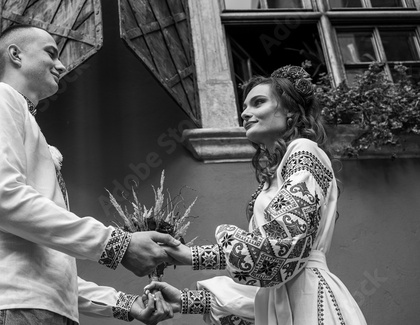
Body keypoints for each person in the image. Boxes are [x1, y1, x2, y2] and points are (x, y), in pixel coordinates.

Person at [0, 24, 178, 325]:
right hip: (3, 308)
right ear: (16, 55)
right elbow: (4, 200)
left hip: (28, 309)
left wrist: (127, 304)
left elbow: (50, 272)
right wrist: (119, 245)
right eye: (51, 53)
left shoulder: (25, 124)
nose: (62, 65)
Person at [146, 65, 367, 325]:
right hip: (281, 301)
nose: (244, 113)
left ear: (291, 112)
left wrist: (190, 255)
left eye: (258, 102)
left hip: (309, 301)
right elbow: (265, 280)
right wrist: (185, 296)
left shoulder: (303, 149)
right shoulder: (274, 175)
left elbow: (279, 248)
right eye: (244, 106)